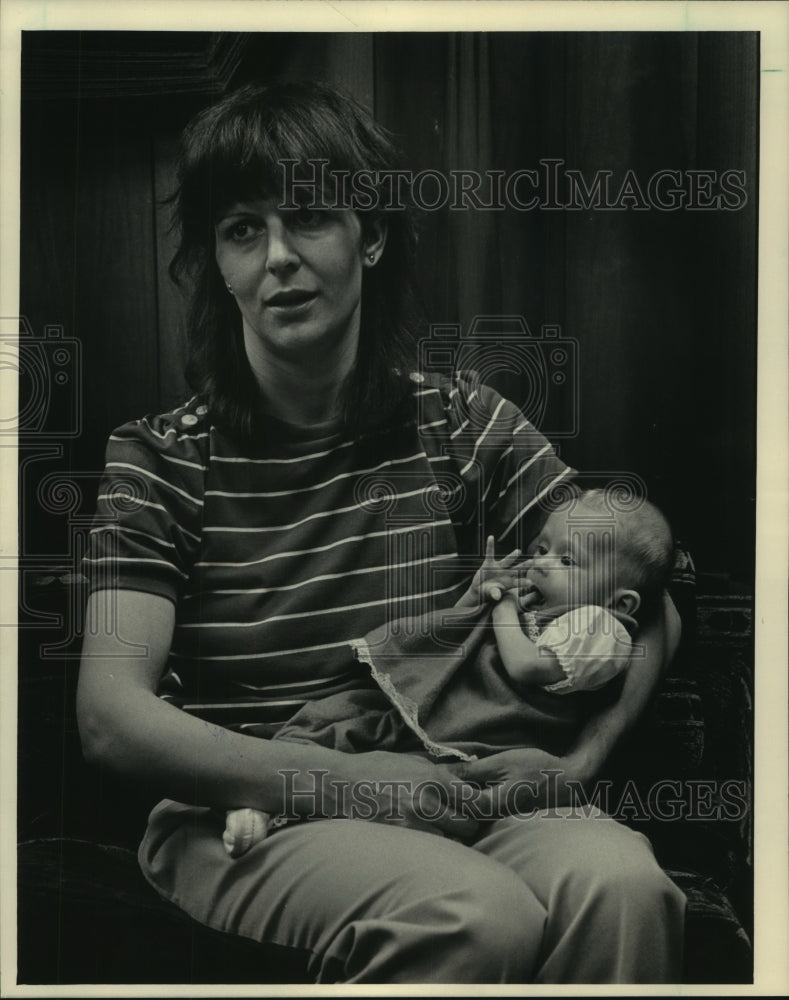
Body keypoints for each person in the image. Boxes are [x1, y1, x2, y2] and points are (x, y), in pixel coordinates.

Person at [77, 80, 686, 984]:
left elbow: (653, 603)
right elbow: (112, 719)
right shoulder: (158, 459)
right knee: (470, 915)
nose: (277, 257)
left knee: (621, 884)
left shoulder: (464, 425)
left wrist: (583, 757)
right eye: (243, 230)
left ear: (369, 234)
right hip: (246, 814)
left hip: (449, 784)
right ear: (219, 261)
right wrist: (346, 785)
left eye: (309, 217)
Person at [221, 488, 676, 855]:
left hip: (489, 735)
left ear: (622, 602)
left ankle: (290, 814)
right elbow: (464, 641)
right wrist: (477, 599)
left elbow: (522, 664)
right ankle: (266, 796)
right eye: (541, 547)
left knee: (405, 777)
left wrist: (503, 605)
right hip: (456, 711)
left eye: (566, 560)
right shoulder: (551, 607)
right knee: (343, 721)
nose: (538, 562)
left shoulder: (601, 629)